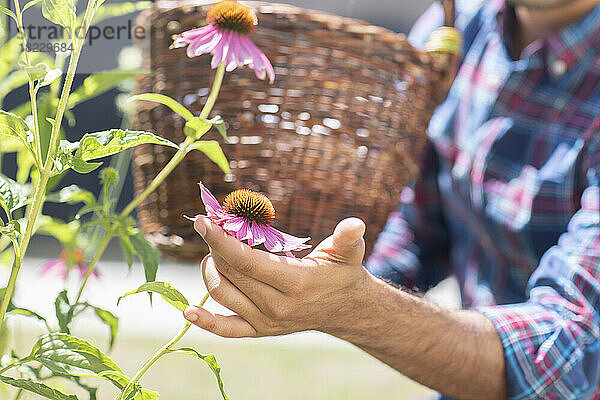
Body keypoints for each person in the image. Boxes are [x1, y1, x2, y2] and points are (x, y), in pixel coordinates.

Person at [182, 0, 600, 398]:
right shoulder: (457, 29)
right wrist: (314, 267)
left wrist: (351, 305)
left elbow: (570, 357)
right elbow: (418, 223)